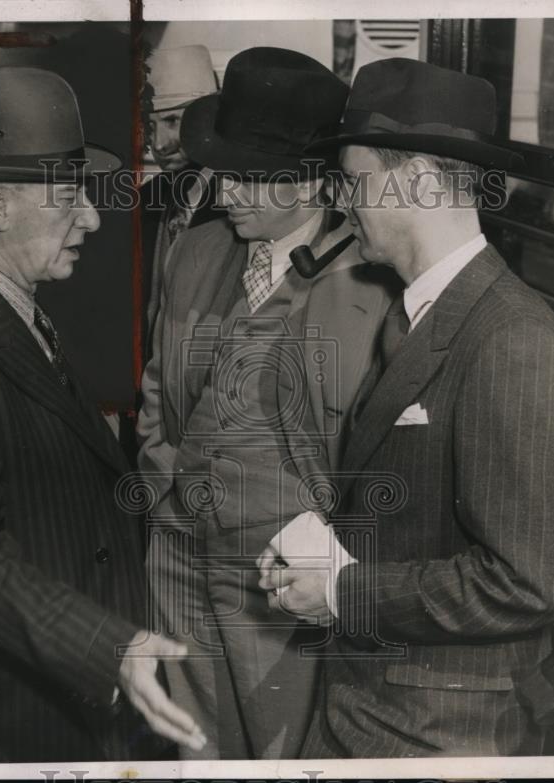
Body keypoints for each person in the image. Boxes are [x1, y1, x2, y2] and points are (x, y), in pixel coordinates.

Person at [0, 66, 205, 763]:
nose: (89, 215)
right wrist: (106, 643)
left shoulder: (2, 306)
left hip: (33, 692)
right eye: (68, 197)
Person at [258, 58, 554, 757]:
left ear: (419, 181)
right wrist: (319, 556)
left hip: (440, 730)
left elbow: (530, 581)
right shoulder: (416, 313)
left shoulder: (512, 339)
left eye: (354, 181)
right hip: (374, 705)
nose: (343, 204)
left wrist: (343, 591)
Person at [136, 47, 399, 759]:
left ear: (313, 179)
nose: (226, 191)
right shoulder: (195, 252)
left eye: (252, 175)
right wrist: (166, 507)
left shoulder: (373, 289)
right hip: (180, 564)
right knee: (195, 751)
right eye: (223, 168)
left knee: (284, 757)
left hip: (281, 591)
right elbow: (158, 393)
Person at [139, 44, 224, 365]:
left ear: (209, 119)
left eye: (173, 121)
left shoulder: (240, 202)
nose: (159, 144)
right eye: (150, 126)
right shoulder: (146, 198)